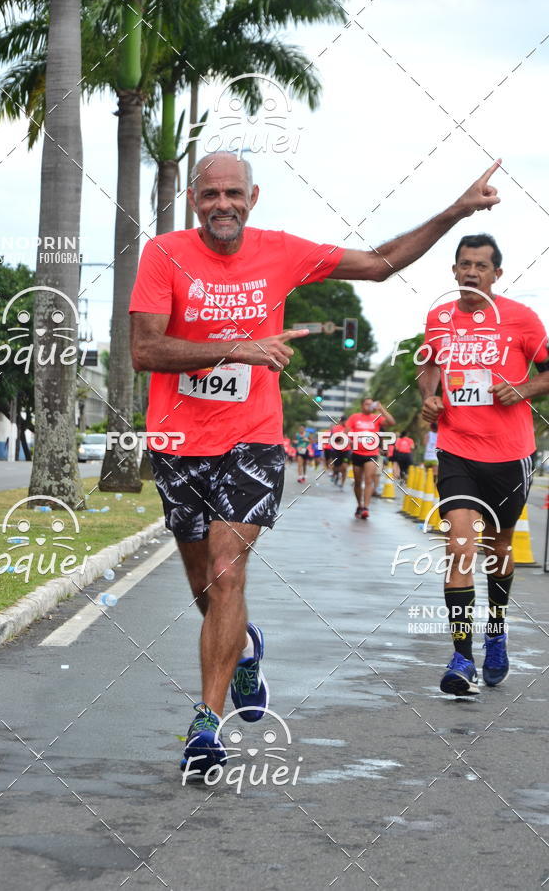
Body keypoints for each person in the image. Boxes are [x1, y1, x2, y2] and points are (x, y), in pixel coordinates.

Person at [129, 150, 502, 774]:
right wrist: (240, 348)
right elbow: (145, 349)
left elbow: (379, 264)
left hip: (252, 438)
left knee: (226, 570)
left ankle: (206, 725)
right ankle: (244, 650)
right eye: (210, 194)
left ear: (253, 198)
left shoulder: (280, 251)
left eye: (233, 193)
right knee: (205, 586)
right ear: (194, 200)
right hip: (178, 441)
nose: (222, 204)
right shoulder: (164, 254)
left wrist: (456, 211)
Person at [419, 233, 549, 696]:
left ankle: (496, 631)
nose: (471, 272)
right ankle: (461, 657)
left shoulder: (521, 318)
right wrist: (430, 396)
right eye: (464, 264)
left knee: (498, 548)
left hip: (510, 454)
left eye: (480, 265)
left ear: (497, 273)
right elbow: (429, 365)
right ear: (454, 270)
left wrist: (524, 389)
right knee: (460, 546)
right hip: (457, 448)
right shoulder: (438, 319)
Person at [345, 398, 396, 518]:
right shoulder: (354, 417)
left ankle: (366, 508)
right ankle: (359, 505)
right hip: (357, 453)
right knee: (358, 482)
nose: (369, 406)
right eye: (366, 404)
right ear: (362, 405)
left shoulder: (376, 417)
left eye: (370, 404)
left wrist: (381, 409)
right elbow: (346, 432)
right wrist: (348, 440)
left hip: (371, 453)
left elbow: (392, 422)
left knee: (369, 480)